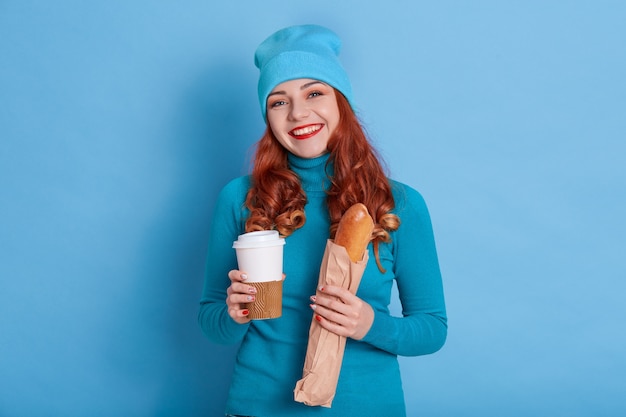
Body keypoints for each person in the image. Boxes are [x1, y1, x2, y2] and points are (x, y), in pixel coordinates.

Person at [198, 24, 447, 417]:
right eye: (279, 101)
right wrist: (235, 312)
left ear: (340, 103)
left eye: (314, 93)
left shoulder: (399, 203)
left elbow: (432, 329)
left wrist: (369, 324)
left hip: (366, 407)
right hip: (258, 407)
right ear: (268, 116)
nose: (298, 113)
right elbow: (212, 323)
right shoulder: (241, 198)